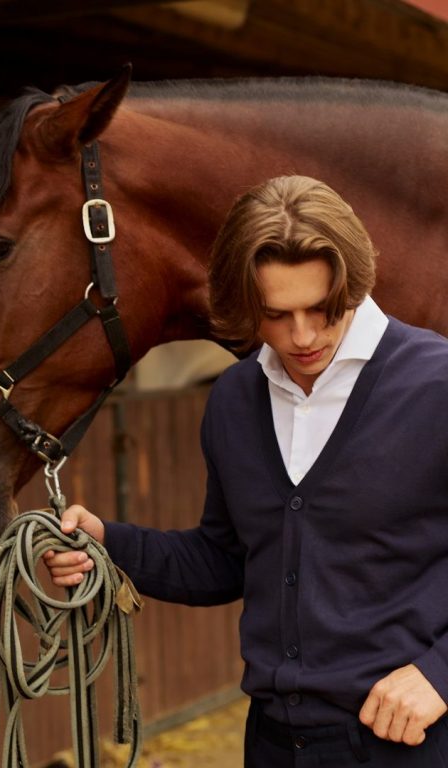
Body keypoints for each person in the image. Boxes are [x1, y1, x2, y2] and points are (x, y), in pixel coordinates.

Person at [43, 175, 448, 766]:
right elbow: (225, 559)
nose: (302, 336)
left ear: (354, 285)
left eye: (321, 309)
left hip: (410, 746)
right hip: (271, 745)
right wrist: (108, 544)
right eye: (276, 315)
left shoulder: (437, 385)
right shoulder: (234, 399)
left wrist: (440, 672)